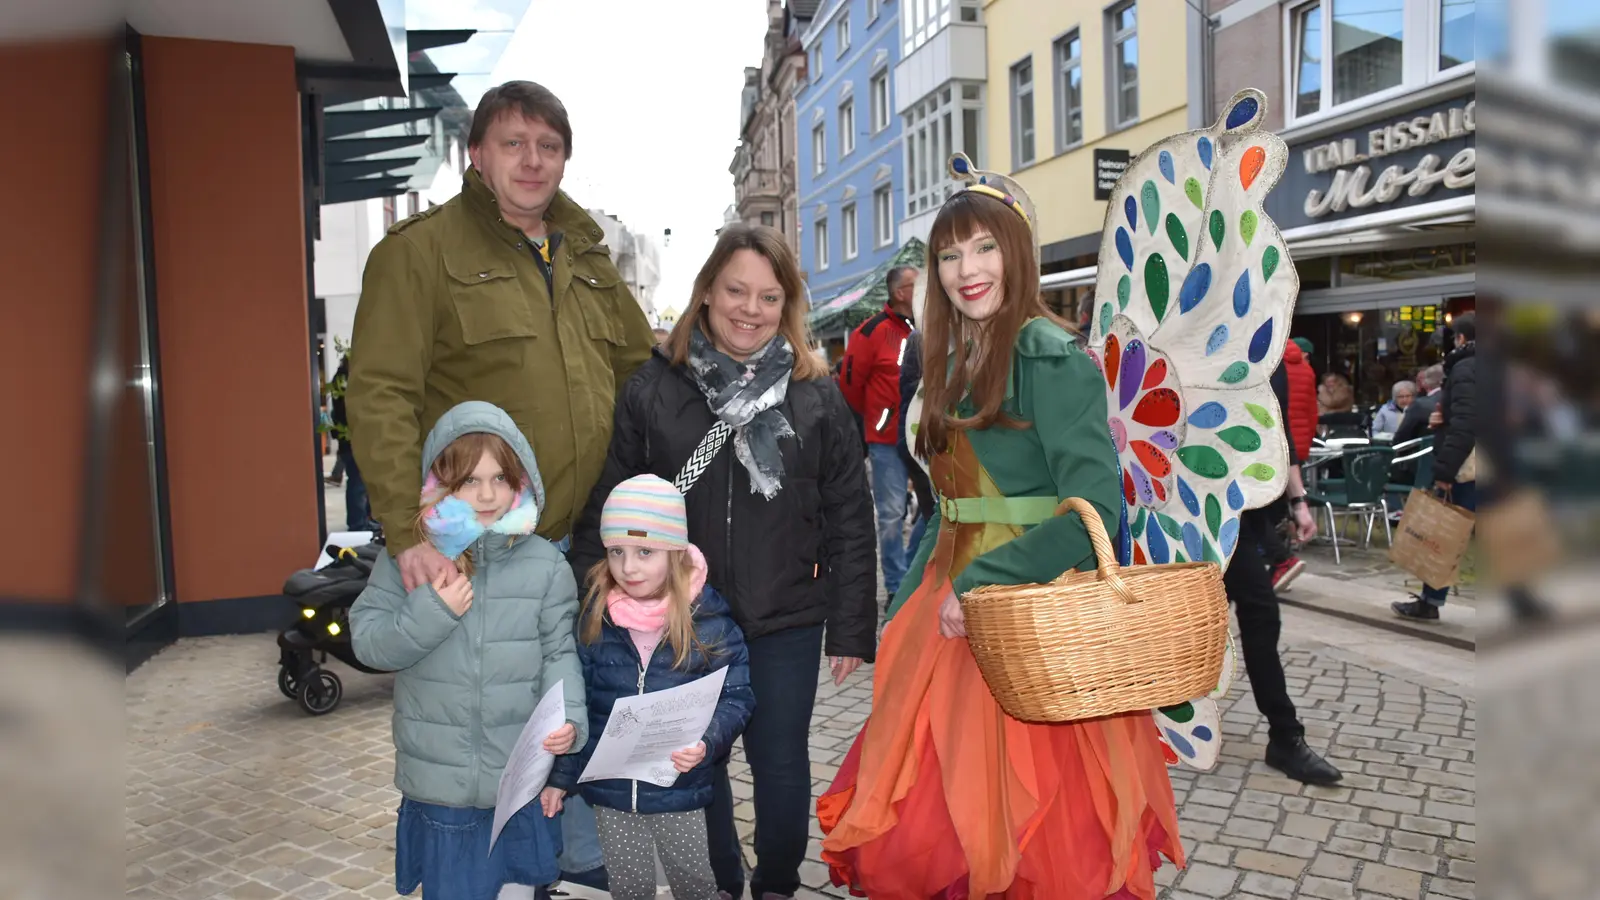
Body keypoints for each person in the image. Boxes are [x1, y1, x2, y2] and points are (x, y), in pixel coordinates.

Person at [816, 168, 1182, 899]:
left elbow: (1093, 511)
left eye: (986, 248)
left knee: (1027, 820)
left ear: (1018, 253)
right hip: (946, 599)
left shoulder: (1050, 354)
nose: (968, 270)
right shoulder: (949, 360)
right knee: (939, 801)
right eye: (950, 256)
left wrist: (982, 585)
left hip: (1025, 608)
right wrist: (903, 609)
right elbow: (950, 505)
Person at [346, 80, 655, 888]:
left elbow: (640, 374)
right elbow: (379, 396)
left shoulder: (584, 255)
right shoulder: (420, 253)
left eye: (548, 146)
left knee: (571, 705)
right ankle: (473, 872)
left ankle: (557, 861)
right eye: (513, 143)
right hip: (475, 548)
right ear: (476, 154)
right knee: (475, 736)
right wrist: (409, 535)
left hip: (579, 542)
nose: (532, 161)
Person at [569, 223, 877, 900]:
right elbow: (611, 504)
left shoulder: (816, 394)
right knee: (693, 768)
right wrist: (587, 610)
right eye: (736, 290)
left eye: (769, 297)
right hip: (686, 619)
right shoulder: (654, 389)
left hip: (786, 616)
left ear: (787, 306)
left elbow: (850, 517)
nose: (750, 308)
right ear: (707, 291)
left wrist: (851, 627)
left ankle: (775, 882)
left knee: (780, 764)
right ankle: (720, 885)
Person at [349, 401, 587, 900]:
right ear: (440, 483)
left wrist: (570, 720)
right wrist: (431, 611)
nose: (486, 494)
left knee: (518, 892)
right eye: (468, 480)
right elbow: (369, 642)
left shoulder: (544, 564)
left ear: (520, 481)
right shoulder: (410, 559)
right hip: (441, 786)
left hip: (517, 782)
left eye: (500, 478)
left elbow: (559, 652)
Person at [546, 475, 756, 900]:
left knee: (694, 885)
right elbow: (580, 707)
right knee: (629, 888)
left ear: (675, 551)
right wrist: (560, 778)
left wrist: (707, 741)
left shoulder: (709, 622)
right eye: (617, 552)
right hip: (611, 794)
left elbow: (737, 696)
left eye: (645, 552)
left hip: (677, 790)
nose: (629, 567)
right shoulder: (596, 621)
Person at [838, 266, 919, 598]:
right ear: (901, 292)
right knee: (891, 517)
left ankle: (914, 574)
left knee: (938, 510)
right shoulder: (870, 332)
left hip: (925, 437)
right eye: (917, 285)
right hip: (886, 442)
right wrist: (881, 418)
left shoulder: (929, 324)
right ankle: (899, 589)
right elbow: (850, 385)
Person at [1394, 313, 1478, 622]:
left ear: (1460, 338)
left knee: (1444, 534)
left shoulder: (1467, 367)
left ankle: (1430, 602)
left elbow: (1468, 424)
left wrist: (1444, 471)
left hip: (1470, 466)